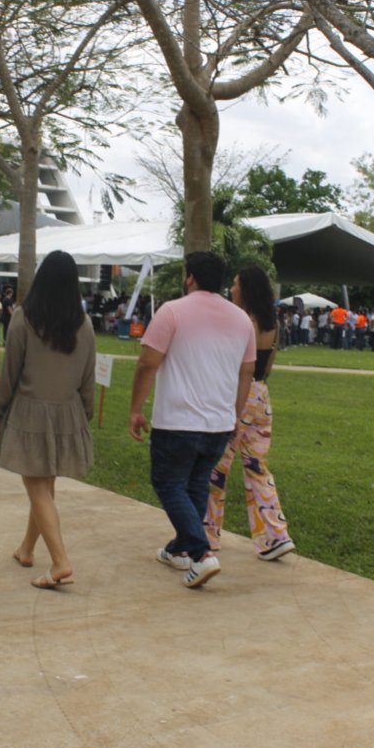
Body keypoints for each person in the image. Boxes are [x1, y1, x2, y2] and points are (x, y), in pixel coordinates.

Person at [130, 251, 255, 589]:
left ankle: (201, 555)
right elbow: (247, 373)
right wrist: (236, 414)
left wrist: (136, 410)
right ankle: (179, 550)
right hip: (218, 423)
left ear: (190, 278)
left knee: (169, 484)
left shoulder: (172, 311)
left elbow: (147, 363)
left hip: (177, 420)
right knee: (196, 485)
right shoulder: (242, 319)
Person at [0, 251, 95, 590]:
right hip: (67, 412)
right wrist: (85, 414)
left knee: (37, 488)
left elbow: (11, 372)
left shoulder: (24, 318)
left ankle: (60, 561)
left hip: (30, 412)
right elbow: (88, 378)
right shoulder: (85, 323)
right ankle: (26, 549)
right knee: (45, 487)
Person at [205, 267, 295, 562]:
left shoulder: (244, 320)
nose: (231, 288)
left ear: (246, 288)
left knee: (217, 466)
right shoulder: (272, 322)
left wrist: (230, 406)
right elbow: (266, 367)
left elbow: (235, 363)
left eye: (234, 284)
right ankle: (275, 535)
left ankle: (207, 535)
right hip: (262, 395)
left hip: (240, 394)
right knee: (257, 467)